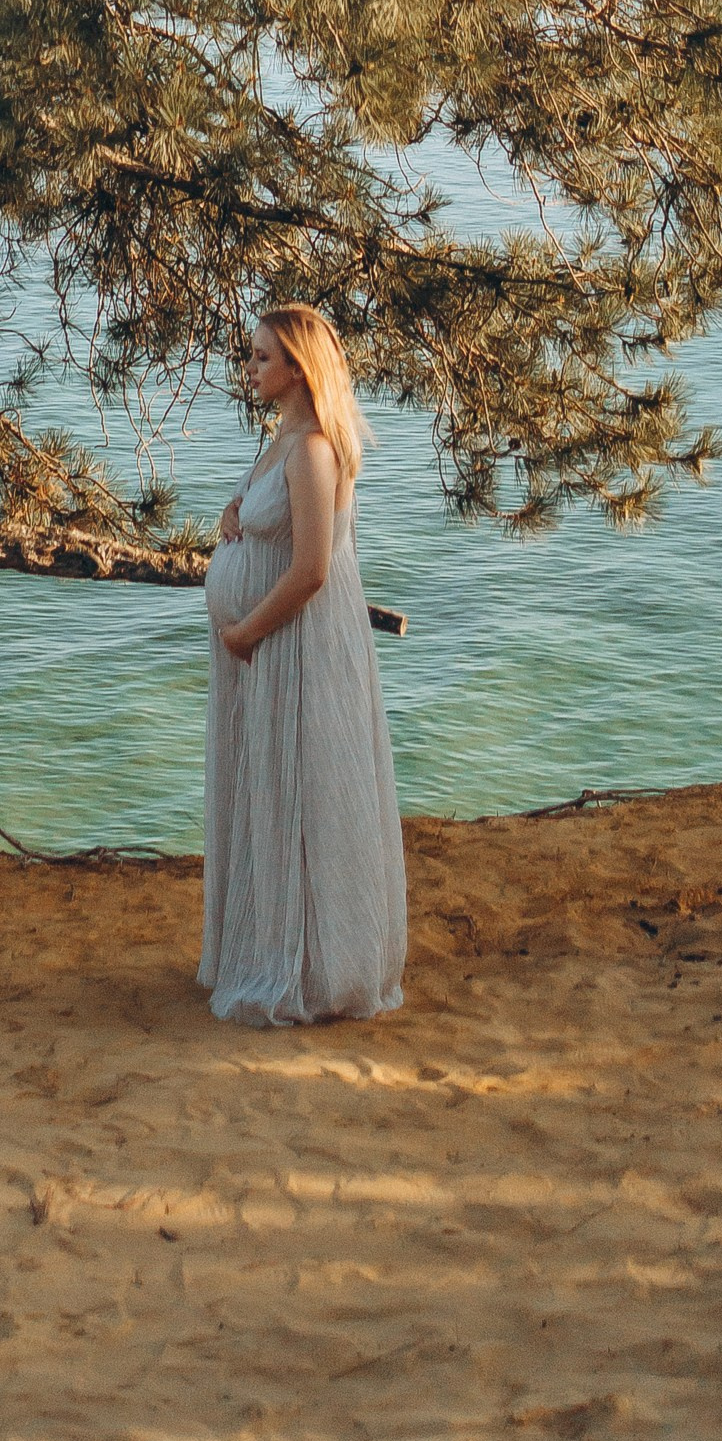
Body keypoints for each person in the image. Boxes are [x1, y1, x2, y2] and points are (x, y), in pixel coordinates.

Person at [200, 303, 407, 1024]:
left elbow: (314, 566)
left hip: (286, 647)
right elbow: (267, 514)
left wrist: (247, 631)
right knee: (267, 793)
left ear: (298, 369)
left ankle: (315, 966)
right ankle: (269, 942)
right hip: (258, 651)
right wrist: (232, 514)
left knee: (302, 797)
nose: (250, 367)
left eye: (262, 357)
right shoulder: (281, 441)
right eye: (251, 354)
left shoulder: (314, 448)